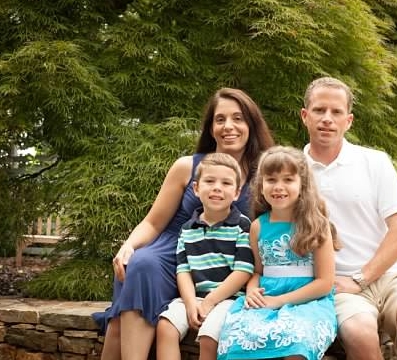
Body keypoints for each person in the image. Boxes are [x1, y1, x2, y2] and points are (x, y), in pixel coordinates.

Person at [92, 88, 274, 360]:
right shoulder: (186, 167)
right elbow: (153, 223)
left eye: (238, 118)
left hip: (228, 260)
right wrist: (128, 245)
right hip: (172, 253)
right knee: (140, 263)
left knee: (120, 319)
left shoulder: (266, 173)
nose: (228, 126)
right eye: (220, 119)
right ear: (210, 128)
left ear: (251, 124)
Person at [301, 76, 397, 360]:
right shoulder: (292, 170)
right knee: (360, 333)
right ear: (305, 116)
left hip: (389, 275)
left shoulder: (374, 161)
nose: (327, 119)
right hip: (337, 285)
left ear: (349, 120)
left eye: (336, 112)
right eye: (319, 110)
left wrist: (362, 277)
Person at [217, 146, 337, 360]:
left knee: (297, 343)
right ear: (260, 185)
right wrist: (252, 290)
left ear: (303, 185)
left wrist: (280, 301)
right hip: (266, 297)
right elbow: (256, 271)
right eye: (271, 180)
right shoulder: (257, 227)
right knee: (238, 339)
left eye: (288, 180)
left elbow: (325, 282)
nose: (278, 187)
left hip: (309, 302)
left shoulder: (317, 225)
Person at [157, 153, 255, 360]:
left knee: (209, 336)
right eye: (209, 181)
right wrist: (191, 303)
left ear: (237, 193)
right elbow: (183, 271)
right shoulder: (187, 229)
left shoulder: (243, 226)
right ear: (196, 188)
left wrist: (210, 302)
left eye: (226, 183)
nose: (217, 187)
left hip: (230, 300)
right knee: (165, 326)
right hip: (195, 297)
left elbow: (243, 271)